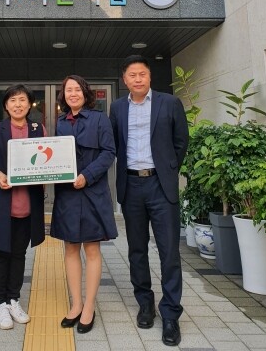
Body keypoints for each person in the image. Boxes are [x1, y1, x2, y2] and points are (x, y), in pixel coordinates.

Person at [109, 56, 189, 347]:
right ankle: (145, 303)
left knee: (169, 252)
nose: (138, 79)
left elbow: (181, 141)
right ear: (125, 80)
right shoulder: (117, 107)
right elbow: (114, 143)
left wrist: (167, 169)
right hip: (131, 184)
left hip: (160, 185)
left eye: (142, 74)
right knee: (137, 250)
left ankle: (170, 313)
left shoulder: (170, 103)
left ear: (150, 77)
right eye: (132, 75)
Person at [50, 75, 117, 334]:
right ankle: (76, 304)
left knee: (91, 248)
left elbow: (109, 152)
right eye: (68, 90)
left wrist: (87, 176)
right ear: (63, 95)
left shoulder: (100, 119)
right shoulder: (60, 122)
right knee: (70, 248)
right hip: (67, 194)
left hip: (92, 191)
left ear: (85, 93)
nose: (73, 94)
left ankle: (89, 306)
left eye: (77, 89)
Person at [0, 84, 46, 330]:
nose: (18, 105)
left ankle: (13, 299)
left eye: (22, 100)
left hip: (28, 204)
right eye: (13, 100)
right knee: (0, 253)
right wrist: (0, 176)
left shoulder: (39, 129)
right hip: (3, 201)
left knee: (19, 254)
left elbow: (47, 160)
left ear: (30, 105)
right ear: (6, 106)